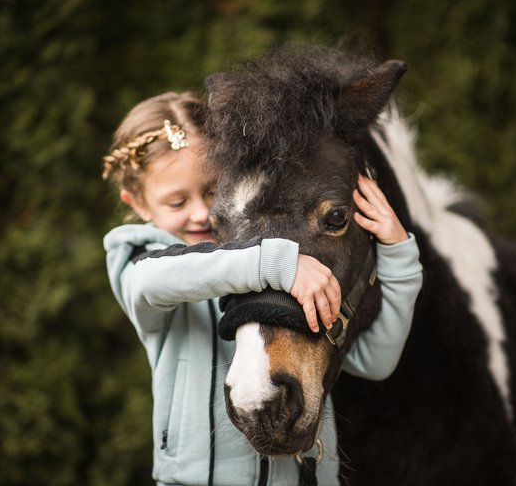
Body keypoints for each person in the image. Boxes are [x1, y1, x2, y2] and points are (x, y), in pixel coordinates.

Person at [102, 91, 423, 486]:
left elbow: (374, 360)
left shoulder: (270, 262)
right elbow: (155, 279)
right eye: (176, 202)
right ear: (139, 204)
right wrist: (277, 264)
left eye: (211, 190)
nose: (201, 212)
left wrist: (399, 255)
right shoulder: (140, 258)